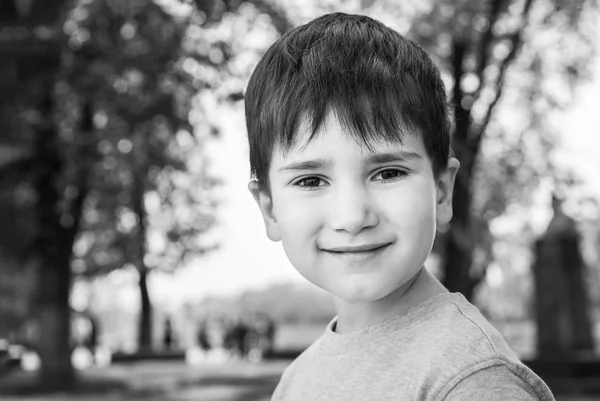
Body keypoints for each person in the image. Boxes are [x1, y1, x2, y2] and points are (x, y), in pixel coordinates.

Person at [244, 12, 554, 400]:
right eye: (310, 180)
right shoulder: (296, 380)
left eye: (388, 173)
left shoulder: (470, 380)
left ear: (441, 192)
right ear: (270, 210)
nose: (352, 217)